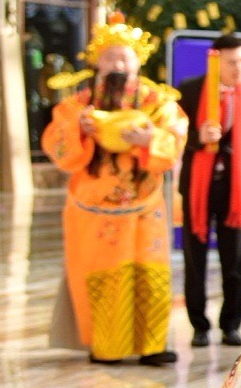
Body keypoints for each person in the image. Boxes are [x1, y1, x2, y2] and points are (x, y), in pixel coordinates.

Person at [42, 19, 188, 366]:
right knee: (103, 276)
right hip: (93, 206)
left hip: (144, 204)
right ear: (97, 63)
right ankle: (107, 345)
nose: (118, 66)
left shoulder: (158, 101)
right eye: (110, 59)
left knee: (149, 276)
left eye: (124, 59)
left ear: (138, 63)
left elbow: (175, 138)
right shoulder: (79, 103)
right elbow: (56, 143)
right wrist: (79, 128)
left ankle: (152, 345)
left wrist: (149, 140)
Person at [179, 31, 241, 348]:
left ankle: (231, 325)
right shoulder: (189, 90)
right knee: (195, 260)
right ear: (215, 62)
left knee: (235, 261)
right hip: (197, 188)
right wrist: (196, 138)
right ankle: (198, 326)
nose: (240, 68)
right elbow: (173, 136)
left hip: (236, 189)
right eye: (232, 62)